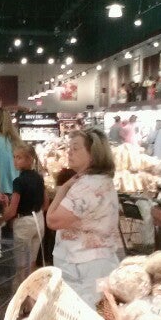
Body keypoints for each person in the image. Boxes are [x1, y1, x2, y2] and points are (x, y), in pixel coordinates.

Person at [46, 129, 119, 309]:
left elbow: (52, 220)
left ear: (93, 155)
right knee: (97, 311)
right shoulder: (99, 180)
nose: (69, 152)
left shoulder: (87, 186)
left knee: (84, 315)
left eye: (76, 148)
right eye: (69, 148)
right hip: (95, 263)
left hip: (84, 266)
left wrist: (63, 189)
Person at [3, 144, 47, 269]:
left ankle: (22, 282)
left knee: (21, 265)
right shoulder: (39, 178)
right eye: (14, 157)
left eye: (19, 157)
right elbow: (46, 203)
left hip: (23, 223)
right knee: (32, 262)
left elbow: (12, 211)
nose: (15, 161)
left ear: (30, 159)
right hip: (39, 221)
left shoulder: (18, 181)